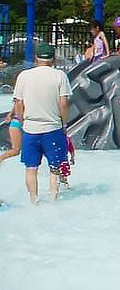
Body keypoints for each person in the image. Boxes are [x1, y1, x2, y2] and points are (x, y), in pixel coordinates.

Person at [12, 43, 72, 204]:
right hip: (53, 127)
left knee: (31, 168)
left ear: (36, 58)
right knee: (55, 167)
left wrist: (22, 121)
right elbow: (64, 103)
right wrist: (64, 123)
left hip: (31, 128)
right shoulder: (59, 76)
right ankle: (53, 199)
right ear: (53, 59)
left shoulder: (24, 76)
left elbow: (18, 103)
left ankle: (34, 200)